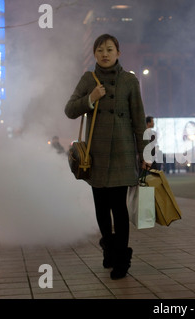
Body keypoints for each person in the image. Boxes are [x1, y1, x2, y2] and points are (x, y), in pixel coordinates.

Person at [65, 34, 149, 280]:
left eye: (109, 49)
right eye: (100, 50)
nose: (105, 54)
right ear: (94, 54)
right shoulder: (88, 79)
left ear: (118, 53)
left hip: (122, 154)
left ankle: (121, 259)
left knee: (119, 209)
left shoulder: (129, 81)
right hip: (97, 156)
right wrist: (90, 99)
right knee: (101, 208)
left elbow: (139, 120)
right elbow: (69, 109)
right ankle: (109, 249)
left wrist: (144, 152)